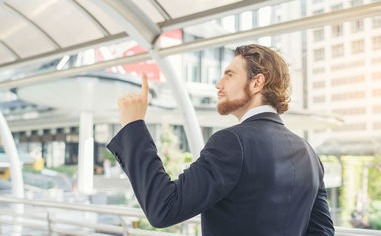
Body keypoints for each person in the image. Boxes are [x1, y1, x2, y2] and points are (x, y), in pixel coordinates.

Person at [107, 44, 334, 235]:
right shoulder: (309, 154)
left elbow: (164, 207)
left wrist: (133, 125)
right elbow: (322, 232)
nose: (219, 84)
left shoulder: (232, 142)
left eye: (230, 74)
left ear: (257, 82)